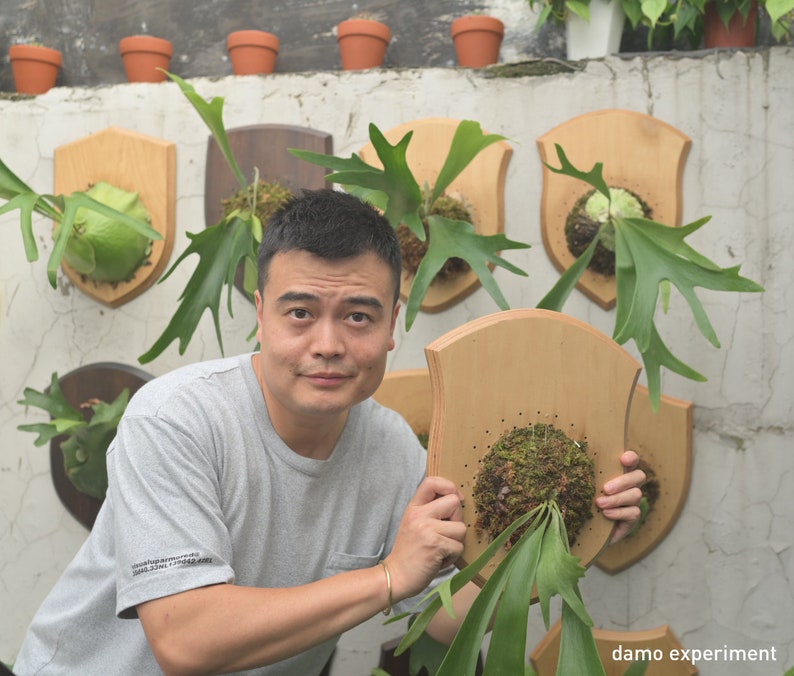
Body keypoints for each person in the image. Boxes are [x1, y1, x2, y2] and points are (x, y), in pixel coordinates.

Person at [14, 189, 645, 675]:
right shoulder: (177, 419)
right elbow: (184, 637)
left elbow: (440, 619)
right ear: (260, 314)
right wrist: (389, 576)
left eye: (358, 316)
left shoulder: (394, 449)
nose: (329, 345)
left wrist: (569, 541)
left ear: (393, 323)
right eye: (300, 313)